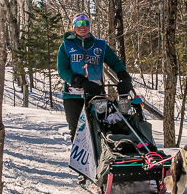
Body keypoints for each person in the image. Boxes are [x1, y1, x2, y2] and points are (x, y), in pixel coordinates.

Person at [56, 13, 134, 142]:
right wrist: (80, 81)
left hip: (96, 95)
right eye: (79, 24)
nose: (83, 27)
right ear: (73, 26)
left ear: (90, 26)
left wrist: (124, 77)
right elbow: (62, 70)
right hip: (73, 96)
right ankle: (79, 161)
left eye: (86, 23)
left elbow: (115, 62)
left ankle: (100, 159)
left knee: (100, 129)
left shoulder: (100, 45)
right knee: (77, 132)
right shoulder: (66, 46)